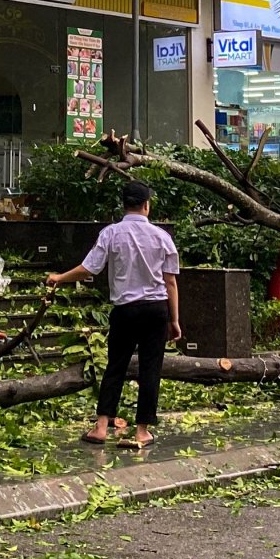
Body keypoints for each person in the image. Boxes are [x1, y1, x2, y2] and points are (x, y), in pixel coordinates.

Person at [47, 179, 181, 451]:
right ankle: (142, 431)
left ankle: (101, 426)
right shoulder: (162, 237)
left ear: (124, 205)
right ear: (147, 205)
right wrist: (174, 319)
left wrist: (60, 277)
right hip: (156, 309)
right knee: (150, 368)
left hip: (125, 310)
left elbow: (89, 268)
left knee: (115, 366)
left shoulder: (111, 233)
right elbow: (171, 283)